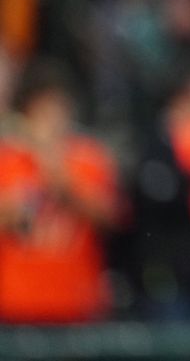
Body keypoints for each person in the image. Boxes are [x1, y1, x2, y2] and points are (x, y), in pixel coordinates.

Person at [0, 70, 120, 324]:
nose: (53, 119)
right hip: (17, 304)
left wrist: (59, 177)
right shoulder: (7, 159)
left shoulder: (88, 157)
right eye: (43, 110)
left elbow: (111, 218)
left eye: (59, 108)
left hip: (77, 302)